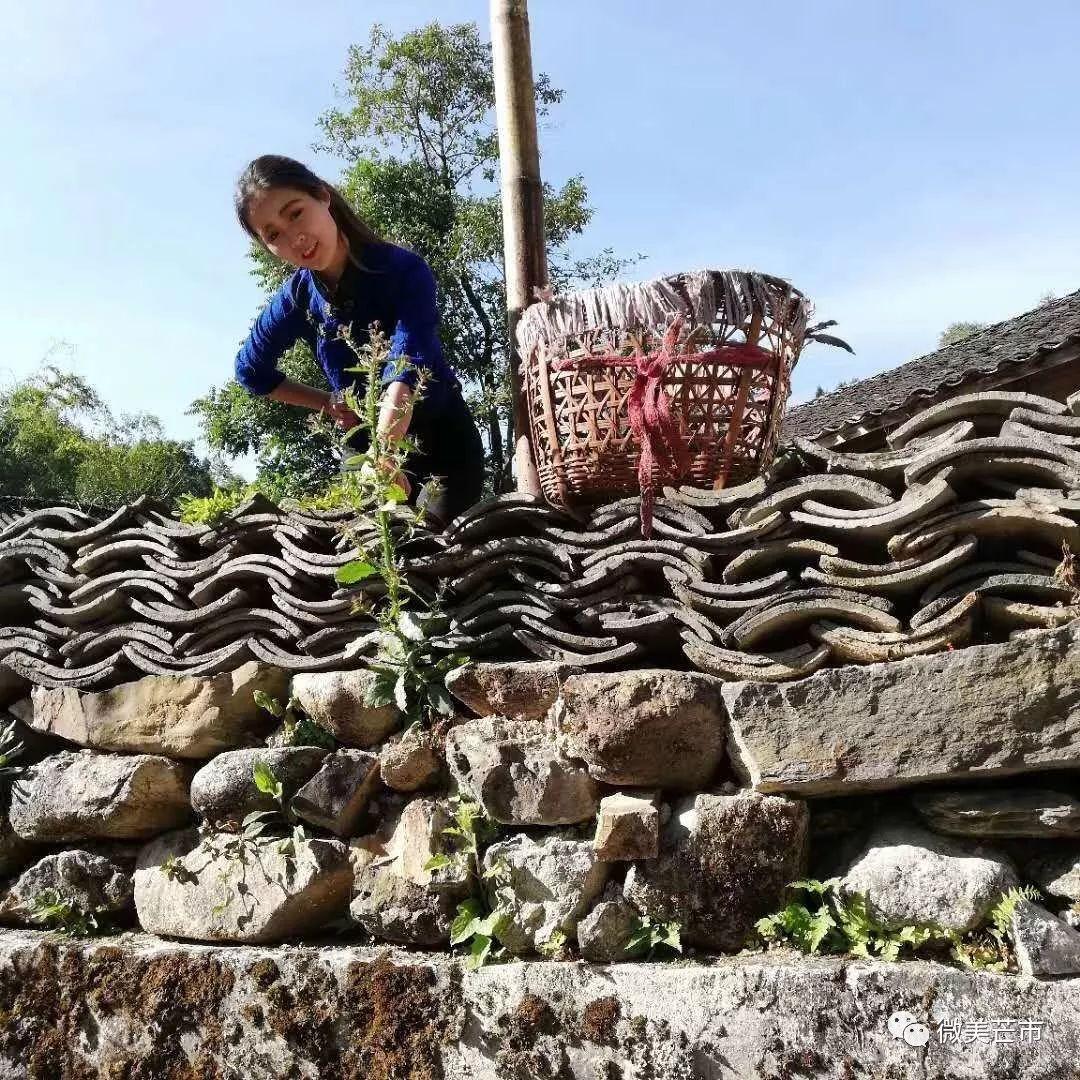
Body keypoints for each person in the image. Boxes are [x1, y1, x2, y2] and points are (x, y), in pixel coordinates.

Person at [233, 154, 485, 526]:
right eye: (273, 235)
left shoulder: (403, 271)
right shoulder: (296, 300)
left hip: (441, 446)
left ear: (322, 196)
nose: (294, 238)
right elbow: (250, 371)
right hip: (367, 457)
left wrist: (387, 451)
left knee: (438, 557)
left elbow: (407, 367)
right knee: (375, 564)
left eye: (295, 213)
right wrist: (328, 402)